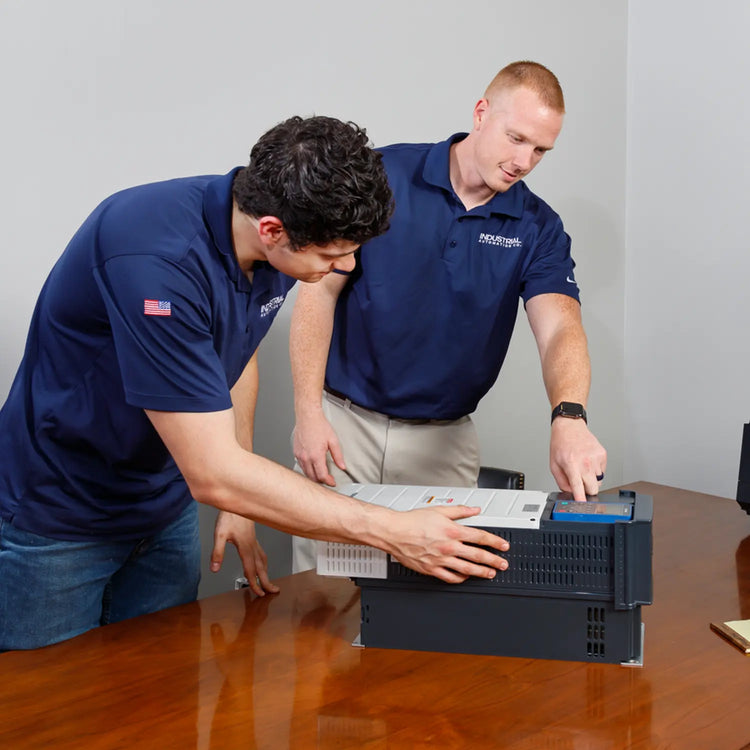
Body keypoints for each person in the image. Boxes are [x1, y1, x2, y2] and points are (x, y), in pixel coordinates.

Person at [0, 115, 511, 652]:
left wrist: (238, 492)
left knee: (156, 691)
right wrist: (393, 532)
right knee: (49, 698)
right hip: (58, 515)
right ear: (272, 230)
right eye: (331, 255)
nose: (345, 265)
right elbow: (213, 473)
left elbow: (233, 352)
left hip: (163, 506)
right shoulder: (156, 259)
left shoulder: (266, 239)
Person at [290, 62, 607, 572]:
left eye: (540, 150)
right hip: (343, 427)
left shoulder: (537, 226)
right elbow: (317, 292)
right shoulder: (381, 176)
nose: (523, 161)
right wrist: (308, 413)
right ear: (481, 114)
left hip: (444, 441)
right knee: (324, 590)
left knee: (439, 596)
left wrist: (569, 416)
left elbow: (559, 329)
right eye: (516, 138)